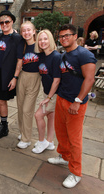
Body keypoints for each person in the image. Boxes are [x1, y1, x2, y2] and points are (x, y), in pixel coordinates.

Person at [48, 24, 96, 188]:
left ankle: (76, 173)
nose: (64, 39)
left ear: (75, 36)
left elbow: (89, 79)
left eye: (67, 35)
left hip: (76, 102)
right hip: (62, 98)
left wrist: (78, 100)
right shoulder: (63, 55)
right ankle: (64, 156)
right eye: (61, 36)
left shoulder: (84, 54)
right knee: (61, 132)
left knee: (74, 139)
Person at [0, 10, 23, 139]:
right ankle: (3, 123)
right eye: (1, 22)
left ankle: (5, 127)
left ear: (12, 21)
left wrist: (15, 77)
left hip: (7, 74)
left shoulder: (17, 38)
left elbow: (20, 60)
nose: (4, 24)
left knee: (2, 100)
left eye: (7, 21)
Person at [32, 29, 61, 154]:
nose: (42, 41)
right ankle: (50, 142)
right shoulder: (42, 55)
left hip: (54, 94)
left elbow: (57, 80)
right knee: (50, 117)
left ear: (50, 39)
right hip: (47, 92)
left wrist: (48, 98)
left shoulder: (56, 56)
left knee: (38, 115)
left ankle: (42, 141)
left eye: (45, 38)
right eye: (40, 39)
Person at [16, 21, 41, 149]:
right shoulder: (23, 45)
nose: (26, 33)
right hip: (23, 76)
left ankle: (27, 139)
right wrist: (16, 77)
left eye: (28, 30)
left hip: (35, 77)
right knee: (20, 107)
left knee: (27, 109)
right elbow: (19, 62)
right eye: (23, 30)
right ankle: (22, 132)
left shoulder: (39, 46)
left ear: (33, 31)